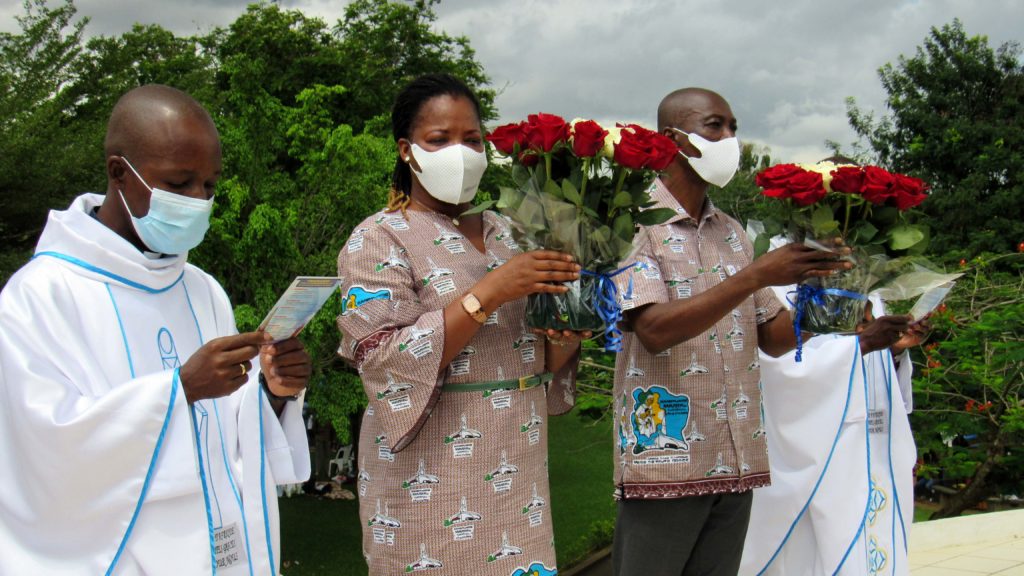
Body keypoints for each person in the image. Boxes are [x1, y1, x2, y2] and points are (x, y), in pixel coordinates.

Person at [0, 85, 312, 575]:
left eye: (209, 186)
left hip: (218, 546)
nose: (198, 201)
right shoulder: (41, 295)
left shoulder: (201, 289)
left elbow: (228, 433)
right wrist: (179, 390)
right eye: (179, 183)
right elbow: (40, 450)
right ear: (119, 173)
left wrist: (273, 392)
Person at [608, 87, 901, 576]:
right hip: (666, 458)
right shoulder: (633, 223)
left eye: (733, 128)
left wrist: (829, 286)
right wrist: (755, 276)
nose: (730, 139)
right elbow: (653, 329)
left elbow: (775, 336)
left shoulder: (731, 232)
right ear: (671, 138)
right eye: (715, 126)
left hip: (737, 458)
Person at [336, 73, 584, 575]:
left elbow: (537, 360)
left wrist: (567, 335)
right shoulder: (379, 237)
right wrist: (491, 290)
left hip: (518, 468)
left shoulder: (511, 232)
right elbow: (383, 360)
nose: (461, 152)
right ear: (407, 151)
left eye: (472, 139)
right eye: (439, 139)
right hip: (430, 478)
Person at [739, 241, 926, 576]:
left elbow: (874, 357)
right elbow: (776, 368)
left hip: (870, 446)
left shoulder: (861, 270)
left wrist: (895, 349)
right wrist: (862, 345)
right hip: (819, 450)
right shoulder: (782, 270)